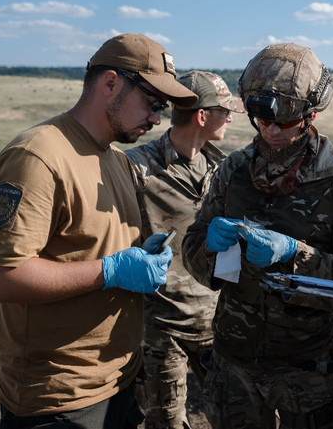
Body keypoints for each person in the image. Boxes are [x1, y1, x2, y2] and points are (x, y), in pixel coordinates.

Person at [0, 33, 195, 428]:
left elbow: (87, 246)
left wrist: (139, 253)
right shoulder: (37, 156)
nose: (156, 120)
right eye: (153, 103)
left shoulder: (117, 160)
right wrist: (110, 270)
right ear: (110, 83)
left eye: (162, 108)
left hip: (117, 381)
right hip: (59, 398)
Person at [181, 43, 333, 429]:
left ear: (311, 114)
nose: (272, 131)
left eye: (285, 122)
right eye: (262, 119)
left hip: (306, 372)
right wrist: (207, 246)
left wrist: (293, 255)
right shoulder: (233, 171)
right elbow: (194, 251)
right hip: (233, 364)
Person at [126, 70, 244, 428]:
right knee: (165, 422)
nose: (230, 118)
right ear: (202, 116)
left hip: (216, 320)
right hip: (161, 325)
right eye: (225, 110)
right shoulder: (136, 168)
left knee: (238, 417)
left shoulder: (224, 170)